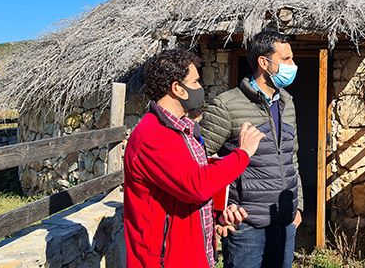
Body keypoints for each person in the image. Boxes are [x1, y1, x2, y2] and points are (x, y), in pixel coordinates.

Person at [123, 48, 265, 268]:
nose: (201, 88)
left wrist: (217, 213)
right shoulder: (153, 136)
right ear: (178, 88)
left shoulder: (183, 129)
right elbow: (196, 185)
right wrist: (242, 154)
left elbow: (187, 182)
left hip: (192, 256)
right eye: (196, 82)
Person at [200, 30, 302, 268]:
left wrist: (299, 208)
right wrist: (221, 210)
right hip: (246, 226)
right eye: (286, 59)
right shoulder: (226, 105)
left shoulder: (288, 103)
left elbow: (291, 158)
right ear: (264, 62)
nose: (293, 65)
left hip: (285, 222)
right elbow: (201, 162)